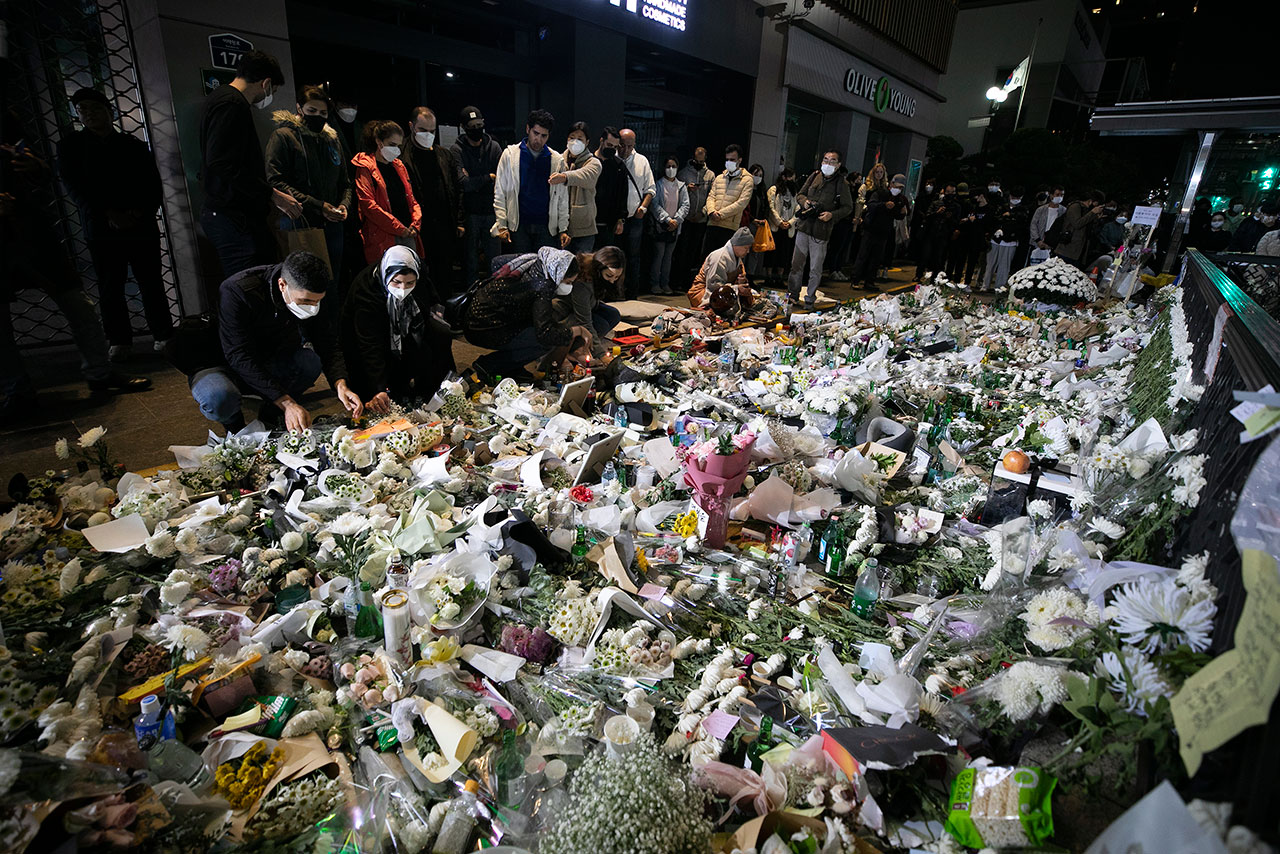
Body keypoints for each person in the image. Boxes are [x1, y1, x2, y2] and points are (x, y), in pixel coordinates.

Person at [2, 113, 149, 420]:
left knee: (79, 304)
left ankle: (100, 372)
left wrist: (34, 168)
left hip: (32, 235)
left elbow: (40, 172)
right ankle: (17, 391)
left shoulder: (8, 124)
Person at [58, 87, 174, 361]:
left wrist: (138, 213)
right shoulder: (71, 146)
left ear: (108, 111)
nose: (89, 113)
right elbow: (75, 187)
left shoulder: (132, 145)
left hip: (139, 225)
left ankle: (163, 335)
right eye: (83, 109)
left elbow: (151, 184)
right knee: (111, 286)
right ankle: (120, 340)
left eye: (95, 108)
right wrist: (108, 214)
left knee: (151, 283)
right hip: (102, 229)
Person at [211, 250, 362, 433]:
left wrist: (340, 384)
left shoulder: (312, 292)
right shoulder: (237, 291)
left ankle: (272, 412)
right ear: (282, 285)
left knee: (309, 362)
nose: (312, 307)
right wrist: (287, 402)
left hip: (272, 357)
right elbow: (238, 355)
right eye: (305, 301)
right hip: (224, 364)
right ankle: (236, 429)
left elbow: (327, 341)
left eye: (317, 301)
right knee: (218, 397)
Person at [198, 50, 294, 278]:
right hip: (233, 219)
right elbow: (222, 162)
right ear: (266, 83)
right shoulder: (232, 104)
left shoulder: (220, 98)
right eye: (274, 90)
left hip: (230, 215)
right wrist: (272, 194)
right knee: (249, 286)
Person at [341, 245, 454, 410]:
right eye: (396, 282)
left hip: (404, 329)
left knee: (440, 335)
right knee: (381, 399)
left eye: (409, 283)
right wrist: (378, 388)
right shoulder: (366, 289)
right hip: (366, 343)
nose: (402, 289)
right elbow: (369, 344)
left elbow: (427, 307)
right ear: (387, 275)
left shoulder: (419, 274)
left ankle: (432, 390)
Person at [265, 85, 353, 289]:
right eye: (312, 111)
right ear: (299, 108)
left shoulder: (331, 140)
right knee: (303, 283)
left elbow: (345, 183)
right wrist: (319, 205)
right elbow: (276, 182)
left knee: (332, 283)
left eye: (323, 112)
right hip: (300, 222)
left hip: (332, 223)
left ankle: (332, 321)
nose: (318, 116)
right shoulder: (284, 136)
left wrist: (344, 206)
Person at [462, 247, 592, 382]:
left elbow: (497, 261)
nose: (569, 287)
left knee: (547, 323)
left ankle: (511, 366)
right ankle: (489, 365)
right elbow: (545, 334)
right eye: (568, 282)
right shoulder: (543, 285)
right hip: (485, 327)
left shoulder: (535, 261)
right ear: (558, 273)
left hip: (479, 317)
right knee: (546, 341)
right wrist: (577, 330)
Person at [403, 107, 463, 295]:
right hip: (418, 227)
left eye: (432, 131)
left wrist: (460, 222)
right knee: (420, 272)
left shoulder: (443, 155)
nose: (428, 135)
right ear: (412, 127)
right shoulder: (401, 156)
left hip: (444, 224)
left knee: (444, 271)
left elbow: (456, 189)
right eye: (423, 130)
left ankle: (443, 311)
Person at [493, 109, 568, 253]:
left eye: (543, 136)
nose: (538, 139)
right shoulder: (510, 155)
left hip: (546, 227)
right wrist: (501, 224)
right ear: (528, 129)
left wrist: (563, 228)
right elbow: (500, 191)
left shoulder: (556, 160)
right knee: (519, 270)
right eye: (536, 133)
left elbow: (562, 198)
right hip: (518, 225)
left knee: (543, 271)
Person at [787, 149, 853, 307]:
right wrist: (805, 203)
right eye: (825, 160)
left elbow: (847, 207)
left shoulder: (841, 184)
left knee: (815, 268)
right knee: (796, 265)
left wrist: (832, 215)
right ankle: (793, 295)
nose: (827, 163)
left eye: (832, 161)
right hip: (804, 226)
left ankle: (810, 299)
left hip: (821, 232)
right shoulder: (814, 176)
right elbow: (800, 194)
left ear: (838, 165)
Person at [352, 120, 423, 264]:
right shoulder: (365, 167)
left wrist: (416, 223)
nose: (396, 150)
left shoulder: (399, 166)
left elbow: (412, 199)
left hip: (408, 232)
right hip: (383, 236)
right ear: (379, 142)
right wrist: (398, 228)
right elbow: (368, 205)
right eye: (392, 145)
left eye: (398, 145)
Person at [451, 106, 503, 286]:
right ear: (464, 127)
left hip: (492, 211)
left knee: (494, 261)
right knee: (470, 261)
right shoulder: (457, 150)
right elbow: (462, 182)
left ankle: (493, 295)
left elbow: (501, 180)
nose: (476, 129)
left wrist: (474, 180)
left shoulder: (494, 147)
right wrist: (488, 177)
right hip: (469, 213)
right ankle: (470, 299)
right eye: (472, 126)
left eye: (479, 125)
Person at [555, 246, 625, 358]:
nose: (612, 281)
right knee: (600, 324)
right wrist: (601, 355)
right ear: (599, 269)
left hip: (586, 307)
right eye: (609, 276)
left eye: (617, 277)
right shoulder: (582, 281)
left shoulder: (600, 278)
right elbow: (584, 320)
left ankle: (587, 344)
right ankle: (575, 348)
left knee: (613, 314)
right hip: (564, 314)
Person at [850, 172, 906, 288]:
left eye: (900, 188)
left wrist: (902, 213)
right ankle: (855, 280)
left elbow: (897, 214)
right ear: (891, 184)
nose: (897, 189)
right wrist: (884, 205)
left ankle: (869, 281)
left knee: (876, 258)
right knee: (863, 255)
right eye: (896, 186)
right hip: (871, 228)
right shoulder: (881, 193)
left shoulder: (899, 199)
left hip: (884, 231)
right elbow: (871, 205)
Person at [551, 121, 601, 253]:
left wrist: (565, 177)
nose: (575, 142)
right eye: (572, 137)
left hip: (584, 228)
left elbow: (586, 176)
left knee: (583, 268)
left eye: (580, 139)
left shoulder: (593, 162)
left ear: (587, 142)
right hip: (560, 226)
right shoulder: (559, 160)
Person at [617, 128, 656, 297]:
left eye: (629, 146)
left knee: (633, 257)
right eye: (622, 145)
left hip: (635, 217)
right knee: (614, 257)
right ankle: (614, 294)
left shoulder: (642, 161)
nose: (625, 150)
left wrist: (643, 208)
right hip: (615, 218)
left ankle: (632, 294)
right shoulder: (611, 159)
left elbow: (651, 189)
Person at [673, 146, 715, 290]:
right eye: (697, 157)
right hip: (685, 219)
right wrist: (686, 188)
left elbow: (712, 196)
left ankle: (690, 282)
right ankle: (677, 281)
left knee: (695, 251)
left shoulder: (710, 175)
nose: (699, 160)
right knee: (682, 251)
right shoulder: (684, 173)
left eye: (702, 157)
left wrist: (703, 212)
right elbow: (675, 193)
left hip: (701, 219)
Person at [648, 155, 690, 295]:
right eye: (668, 166)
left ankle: (665, 284)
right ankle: (654, 284)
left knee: (668, 257)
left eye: (673, 166)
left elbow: (685, 205)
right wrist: (667, 219)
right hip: (661, 226)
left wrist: (676, 220)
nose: (671, 169)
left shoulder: (681, 186)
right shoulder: (658, 184)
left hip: (675, 228)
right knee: (658, 256)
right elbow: (655, 205)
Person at [703, 144, 754, 255]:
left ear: (739, 160)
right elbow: (711, 196)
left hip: (729, 227)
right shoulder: (719, 177)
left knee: (724, 260)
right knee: (707, 258)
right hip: (712, 223)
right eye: (727, 159)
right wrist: (711, 212)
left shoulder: (747, 180)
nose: (729, 162)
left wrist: (720, 214)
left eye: (732, 159)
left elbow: (741, 203)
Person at [687, 226, 753, 310]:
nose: (747, 251)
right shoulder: (719, 257)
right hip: (704, 293)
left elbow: (741, 277)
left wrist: (741, 282)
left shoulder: (738, 259)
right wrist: (737, 288)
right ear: (736, 245)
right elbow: (714, 286)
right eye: (746, 248)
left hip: (725, 291)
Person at [981, 189, 1029, 291]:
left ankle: (999, 287)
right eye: (1013, 197)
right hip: (996, 239)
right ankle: (985, 285)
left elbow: (1022, 223)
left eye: (1018, 198)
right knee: (990, 264)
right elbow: (994, 219)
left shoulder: (1023, 209)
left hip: (1010, 241)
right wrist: (997, 229)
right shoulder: (1002, 206)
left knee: (1004, 266)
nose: (1015, 200)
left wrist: (1011, 216)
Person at [593, 127, 628, 252]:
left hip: (609, 223)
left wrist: (620, 219)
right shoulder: (589, 161)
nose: (611, 149)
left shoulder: (619, 166)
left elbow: (623, 194)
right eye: (609, 145)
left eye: (614, 147)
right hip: (588, 221)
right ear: (601, 140)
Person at [1053, 189, 1104, 268]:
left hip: (1079, 252)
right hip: (1067, 249)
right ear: (1091, 201)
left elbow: (1090, 230)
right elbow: (1077, 224)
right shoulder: (1075, 206)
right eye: (1096, 203)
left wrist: (1096, 218)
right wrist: (1092, 213)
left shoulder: (1087, 210)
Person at [920, 182, 959, 281]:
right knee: (925, 255)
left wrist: (949, 218)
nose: (949, 194)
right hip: (931, 233)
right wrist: (937, 213)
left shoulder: (956, 207)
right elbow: (927, 216)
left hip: (944, 235)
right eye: (948, 192)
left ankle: (935, 277)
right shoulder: (936, 203)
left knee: (939, 258)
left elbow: (957, 222)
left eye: (952, 192)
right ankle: (919, 274)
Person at [765, 168, 798, 287]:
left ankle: (779, 277)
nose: (792, 180)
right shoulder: (774, 190)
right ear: (783, 177)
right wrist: (779, 222)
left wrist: (790, 222)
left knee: (784, 253)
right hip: (775, 226)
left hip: (788, 227)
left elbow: (797, 209)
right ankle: (768, 276)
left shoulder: (794, 192)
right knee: (771, 253)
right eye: (790, 177)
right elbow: (771, 207)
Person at [744, 163, 769, 279]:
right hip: (747, 223)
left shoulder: (762, 191)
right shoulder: (747, 189)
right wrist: (752, 219)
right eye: (756, 174)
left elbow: (766, 207)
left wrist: (762, 220)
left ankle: (751, 275)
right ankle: (741, 275)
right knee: (744, 251)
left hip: (759, 225)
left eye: (760, 175)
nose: (758, 177)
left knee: (755, 252)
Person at [910, 178, 936, 279]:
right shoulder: (921, 196)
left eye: (931, 184)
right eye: (927, 183)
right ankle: (919, 273)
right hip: (920, 226)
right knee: (921, 251)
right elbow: (917, 209)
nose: (928, 186)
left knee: (927, 253)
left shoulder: (935, 198)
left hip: (930, 229)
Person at [1029, 185, 1065, 257]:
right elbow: (1033, 225)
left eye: (1062, 195)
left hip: (1053, 246)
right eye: (1057, 195)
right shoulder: (1041, 210)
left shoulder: (1063, 211)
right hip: (1038, 243)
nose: (1060, 197)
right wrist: (1038, 240)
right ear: (1051, 195)